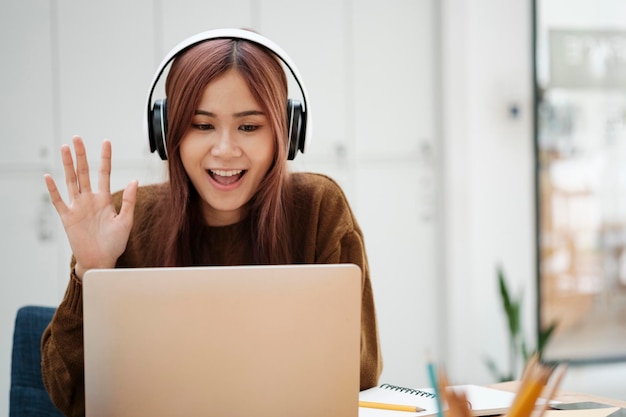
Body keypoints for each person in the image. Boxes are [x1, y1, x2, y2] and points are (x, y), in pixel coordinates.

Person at [40, 29, 382, 416]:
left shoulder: (319, 209)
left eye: (249, 127)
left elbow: (360, 376)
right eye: (202, 125)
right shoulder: (122, 222)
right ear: (167, 133)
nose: (225, 150)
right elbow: (70, 398)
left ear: (286, 134)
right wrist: (90, 272)